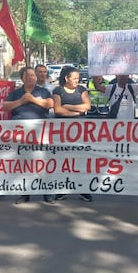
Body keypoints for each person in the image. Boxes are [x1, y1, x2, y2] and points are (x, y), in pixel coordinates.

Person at [2, 66, 54, 203]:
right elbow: (5, 106)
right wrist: (21, 101)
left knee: (43, 162)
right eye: (27, 76)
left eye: (32, 75)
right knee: (24, 164)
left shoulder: (43, 91)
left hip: (40, 132)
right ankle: (25, 193)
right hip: (21, 133)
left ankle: (46, 193)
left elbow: (50, 104)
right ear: (22, 79)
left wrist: (33, 99)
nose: (30, 78)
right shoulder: (16, 93)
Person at [53, 66, 94, 202]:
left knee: (81, 160)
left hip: (80, 131)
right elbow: (58, 109)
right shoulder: (58, 90)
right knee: (63, 160)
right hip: (62, 132)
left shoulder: (81, 90)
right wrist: (77, 112)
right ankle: (62, 189)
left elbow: (87, 106)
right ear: (66, 78)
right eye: (75, 78)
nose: (78, 80)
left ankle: (83, 190)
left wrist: (69, 107)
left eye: (78, 78)